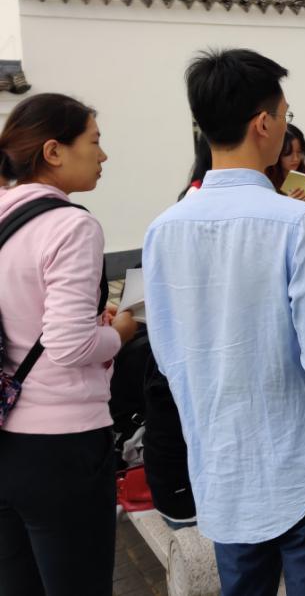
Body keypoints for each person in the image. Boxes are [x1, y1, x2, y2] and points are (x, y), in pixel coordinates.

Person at [144, 49, 305, 595]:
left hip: (222, 464)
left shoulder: (162, 230)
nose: (286, 125)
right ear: (263, 123)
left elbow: (169, 355)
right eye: (285, 114)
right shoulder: (301, 222)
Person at [0, 93, 137, 596]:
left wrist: (86, 325)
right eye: (94, 142)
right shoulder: (70, 225)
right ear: (54, 151)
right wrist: (120, 331)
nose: (104, 155)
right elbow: (70, 345)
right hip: (62, 445)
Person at [268, 123, 305, 204]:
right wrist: (289, 203)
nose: (296, 158)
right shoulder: (267, 184)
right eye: (288, 153)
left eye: (299, 152)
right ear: (277, 153)